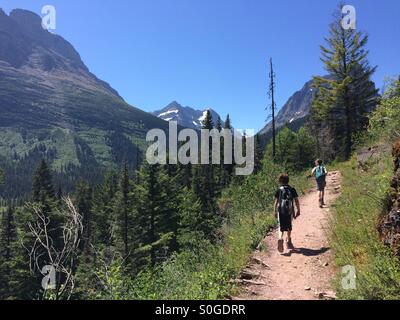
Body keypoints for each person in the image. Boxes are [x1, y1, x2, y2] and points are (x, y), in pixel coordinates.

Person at [274, 174, 301, 253]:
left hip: (280, 210)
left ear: (280, 181)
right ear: (288, 180)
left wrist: (274, 211)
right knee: (289, 225)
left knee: (281, 225)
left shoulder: (279, 189)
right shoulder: (292, 189)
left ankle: (280, 238)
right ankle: (288, 240)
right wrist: (298, 210)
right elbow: (296, 200)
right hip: (289, 210)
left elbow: (276, 202)